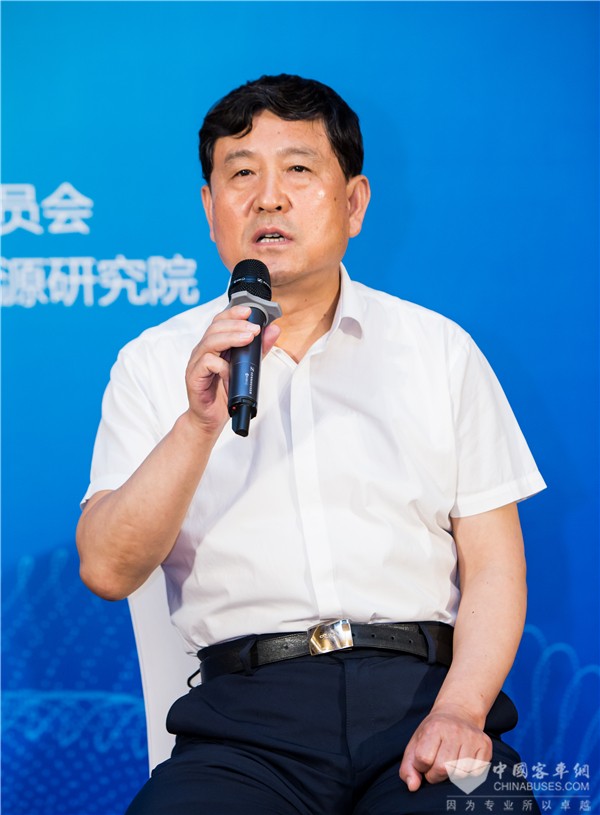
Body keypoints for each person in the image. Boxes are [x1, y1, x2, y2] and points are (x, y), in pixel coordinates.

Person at [77, 74, 546, 814]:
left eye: (297, 169)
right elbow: (107, 568)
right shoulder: (153, 362)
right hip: (242, 729)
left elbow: (494, 565)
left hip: (421, 700)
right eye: (241, 174)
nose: (268, 198)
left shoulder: (438, 350)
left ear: (353, 203)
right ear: (210, 209)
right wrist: (197, 424)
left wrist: (461, 710)